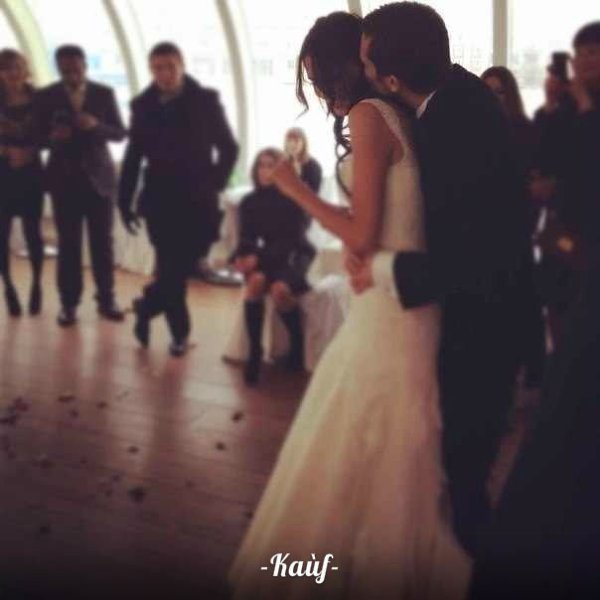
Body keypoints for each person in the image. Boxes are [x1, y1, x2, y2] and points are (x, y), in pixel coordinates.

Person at [229, 12, 470, 600]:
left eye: (318, 75)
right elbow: (377, 224)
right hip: (396, 299)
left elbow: (361, 235)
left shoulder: (368, 115)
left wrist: (294, 188)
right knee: (383, 445)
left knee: (365, 440)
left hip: (392, 308)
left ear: (343, 66)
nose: (316, 90)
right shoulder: (397, 113)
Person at [347, 2, 530, 556]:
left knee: (465, 466)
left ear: (391, 79)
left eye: (367, 61)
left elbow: (470, 254)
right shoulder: (458, 95)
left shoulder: (452, 125)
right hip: (487, 304)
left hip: (483, 319)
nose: (362, 70)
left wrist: (381, 267)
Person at [469, 21, 600, 600]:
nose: (587, 62)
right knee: (556, 314)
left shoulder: (565, 118)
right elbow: (557, 164)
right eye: (582, 53)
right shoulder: (563, 115)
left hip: (570, 236)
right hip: (563, 238)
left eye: (595, 53)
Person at [118, 42, 238, 357]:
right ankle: (179, 335)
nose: (164, 74)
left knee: (177, 271)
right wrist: (124, 201)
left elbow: (229, 147)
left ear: (182, 65)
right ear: (151, 70)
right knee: (172, 271)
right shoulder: (142, 106)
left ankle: (145, 308)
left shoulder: (205, 101)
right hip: (159, 202)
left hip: (198, 202)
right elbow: (133, 157)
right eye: (157, 68)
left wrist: (214, 183)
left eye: (170, 66)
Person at [33, 44, 126, 327]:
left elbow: (120, 133)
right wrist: (53, 137)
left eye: (75, 68)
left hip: (100, 180)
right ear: (58, 68)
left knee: (103, 244)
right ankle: (69, 304)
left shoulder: (104, 93)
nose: (71, 74)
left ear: (85, 65)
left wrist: (95, 126)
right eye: (65, 70)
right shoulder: (45, 95)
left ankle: (106, 299)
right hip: (63, 180)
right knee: (68, 245)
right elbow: (36, 138)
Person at [482, 66, 547, 389]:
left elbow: (535, 184)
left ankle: (533, 374)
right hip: (485, 231)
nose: (494, 98)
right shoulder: (475, 134)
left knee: (524, 301)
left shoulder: (524, 130)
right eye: (488, 92)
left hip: (517, 227)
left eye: (499, 91)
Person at [231, 148, 316, 385]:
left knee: (279, 290)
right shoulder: (248, 202)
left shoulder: (293, 200)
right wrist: (240, 258)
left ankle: (297, 346)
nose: (264, 171)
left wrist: (256, 259)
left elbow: (291, 242)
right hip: (268, 257)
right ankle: (255, 354)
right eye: (261, 165)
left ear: (281, 171)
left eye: (270, 166)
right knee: (255, 283)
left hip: (295, 256)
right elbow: (246, 238)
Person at [0, 49, 44, 317]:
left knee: (33, 231)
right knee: (1, 234)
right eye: (6, 68)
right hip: (2, 172)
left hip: (31, 172)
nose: (12, 73)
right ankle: (8, 287)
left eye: (16, 67)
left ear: (25, 69)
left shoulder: (40, 99)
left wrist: (29, 152)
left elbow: (50, 135)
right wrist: (5, 151)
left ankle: (37, 284)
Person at [283, 127, 323, 193]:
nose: (292, 144)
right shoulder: (282, 164)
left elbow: (312, 194)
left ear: (304, 143)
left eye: (296, 141)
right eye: (289, 141)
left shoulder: (313, 166)